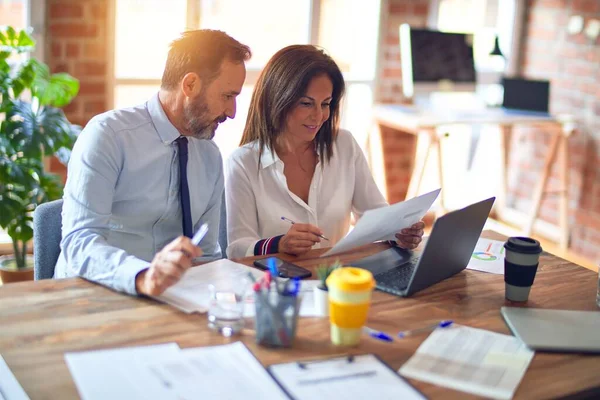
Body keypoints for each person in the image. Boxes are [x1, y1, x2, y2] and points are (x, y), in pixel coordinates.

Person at [55, 30, 251, 296]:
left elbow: (205, 255)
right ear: (190, 85)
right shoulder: (108, 136)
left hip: (171, 298)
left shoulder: (210, 156)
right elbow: (79, 244)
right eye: (227, 96)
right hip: (92, 296)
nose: (232, 112)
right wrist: (142, 277)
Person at [225, 45, 424, 259]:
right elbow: (236, 248)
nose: (319, 116)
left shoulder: (344, 145)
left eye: (326, 104)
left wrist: (400, 232)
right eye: (306, 104)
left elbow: (377, 217)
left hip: (336, 280)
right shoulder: (243, 162)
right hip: (276, 284)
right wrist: (279, 244)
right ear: (277, 100)